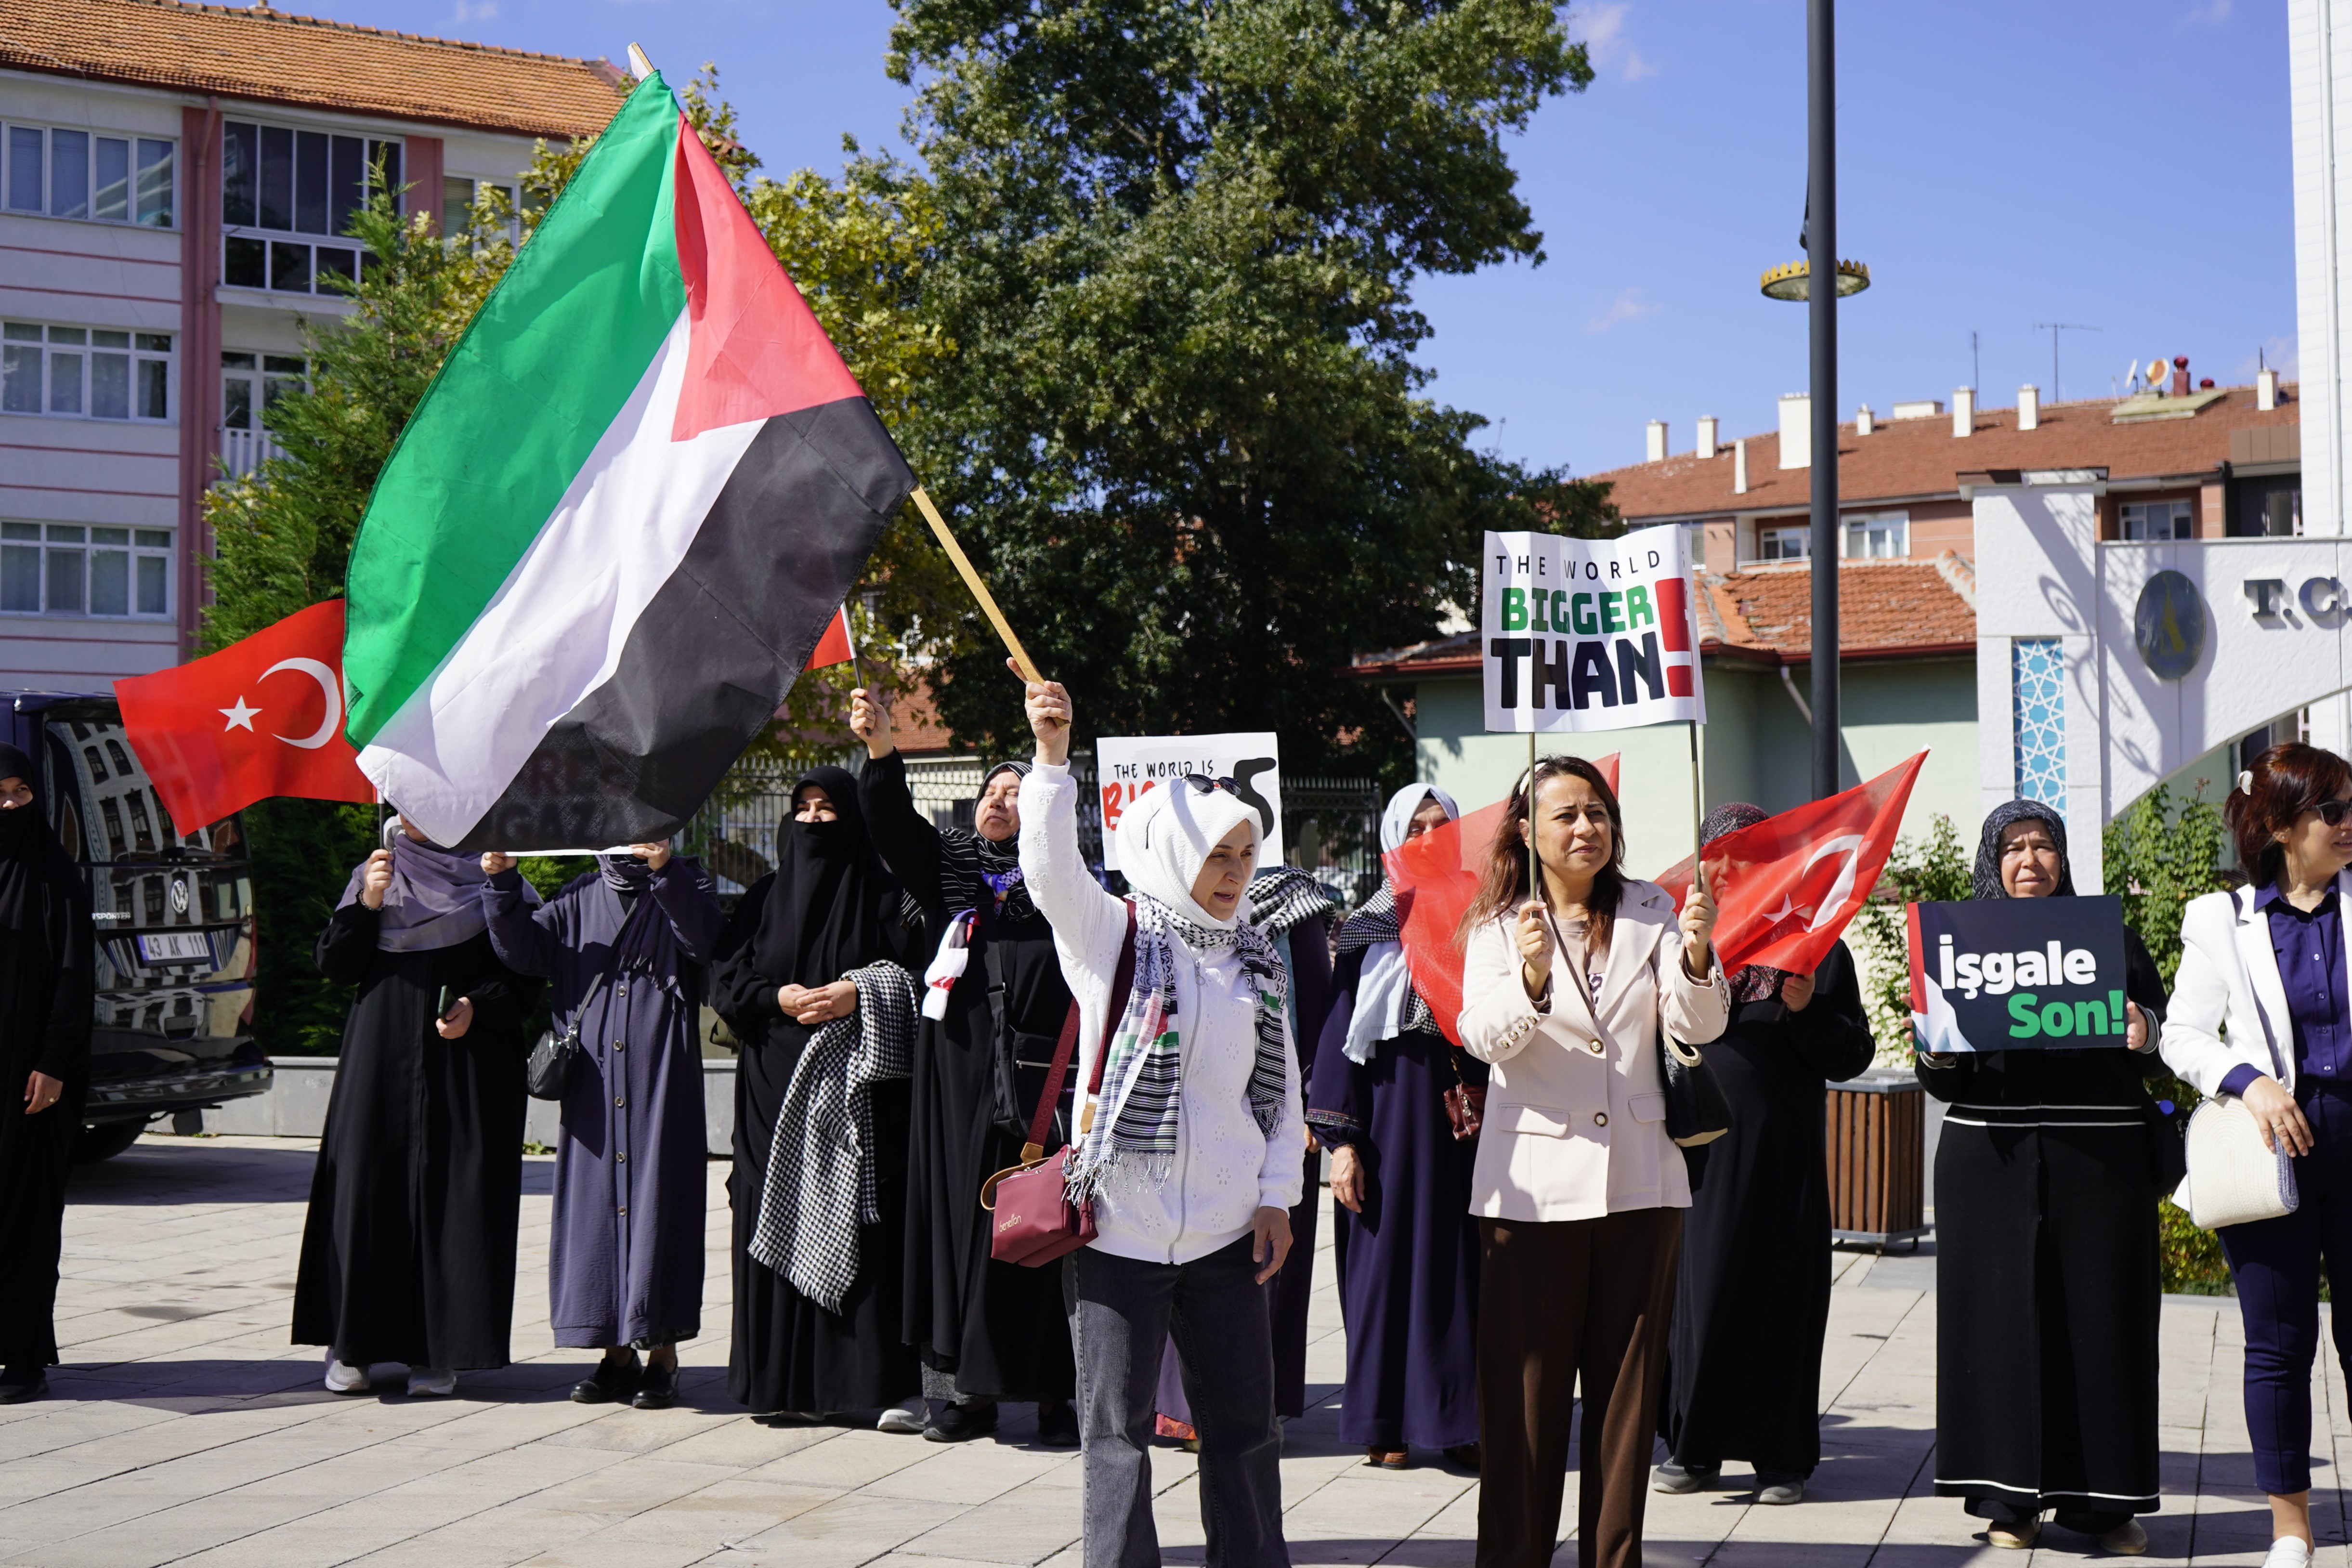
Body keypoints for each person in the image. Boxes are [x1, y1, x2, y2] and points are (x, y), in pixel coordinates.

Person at [1017, 666, 1304, 1568]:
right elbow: (1049, 871)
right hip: (1117, 1237)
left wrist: (1274, 1196)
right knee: (1116, 1443)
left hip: (1224, 1241)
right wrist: (1052, 761)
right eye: (1216, 855)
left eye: (1244, 856)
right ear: (1170, 852)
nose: (1232, 874)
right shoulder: (1113, 938)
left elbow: (1281, 1093)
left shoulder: (1254, 957)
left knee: (1244, 1435)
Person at [1457, 754, 1725, 1568]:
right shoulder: (1499, 925)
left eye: (1597, 813)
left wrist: (1695, 955)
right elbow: (1482, 1041)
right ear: (1525, 831)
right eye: (1566, 815)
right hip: (1531, 1198)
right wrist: (1532, 979)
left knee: (1624, 1411)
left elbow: (1701, 1027)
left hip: (1642, 1187)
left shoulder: (1654, 909)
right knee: (1525, 1411)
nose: (1585, 828)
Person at [1919, 798, 2169, 1554]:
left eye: (2044, 847)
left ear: (2063, 860)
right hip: (1988, 1163)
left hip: (2100, 1161)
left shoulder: (2112, 943)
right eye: (2015, 848)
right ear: (1993, 862)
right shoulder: (1957, 947)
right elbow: (1943, 1076)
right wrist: (1934, 1048)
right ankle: (2008, 1504)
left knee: (2100, 1325)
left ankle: (2104, 1505)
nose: (2030, 860)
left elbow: (2164, 1041)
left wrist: (2143, 1031)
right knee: (1997, 1328)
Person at [849, 687, 1079, 1445]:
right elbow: (892, 825)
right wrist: (883, 750)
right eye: (990, 792)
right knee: (963, 1230)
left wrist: (1049, 758)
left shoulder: (1062, 884)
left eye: (1016, 793)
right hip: (956, 1088)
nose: (1000, 801)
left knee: (1047, 1228)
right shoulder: (948, 875)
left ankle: (1058, 1392)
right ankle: (968, 1394)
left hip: (1047, 1082)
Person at [2162, 744, 2352, 1568]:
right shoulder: (2218, 919)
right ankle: (2290, 1528)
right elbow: (2179, 1036)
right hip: (2270, 1149)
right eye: (2331, 812)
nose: (2346, 825)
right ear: (2280, 827)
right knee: (2276, 1345)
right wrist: (2249, 1082)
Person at [1655, 802, 1877, 1505]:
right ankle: (1694, 1450)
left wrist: (1810, 1006)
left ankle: (1781, 1459)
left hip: (1785, 1161)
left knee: (1780, 1297)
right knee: (1702, 1291)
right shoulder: (1683, 937)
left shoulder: (1811, 940)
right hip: (1700, 1156)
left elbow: (1853, 1053)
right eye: (1723, 854)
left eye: (1754, 852)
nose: (1737, 866)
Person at [293, 817, 542, 1397]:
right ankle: (352, 1346)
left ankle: (440, 1349)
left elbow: (528, 972)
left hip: (468, 1063)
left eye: (430, 806)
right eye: (406, 805)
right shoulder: (375, 875)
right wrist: (367, 903)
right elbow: (336, 965)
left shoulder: (494, 873)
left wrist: (478, 1007)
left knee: (455, 1193)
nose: (415, 819)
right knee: (366, 1186)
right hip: (379, 1057)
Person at [711, 767, 927, 1429]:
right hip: (769, 1098)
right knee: (769, 1222)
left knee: (866, 1229)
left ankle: (872, 1385)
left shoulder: (888, 898)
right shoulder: (764, 897)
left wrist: (858, 991)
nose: (810, 819)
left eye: (827, 808)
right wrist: (776, 997)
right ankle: (780, 1384)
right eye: (802, 808)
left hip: (857, 1099)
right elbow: (725, 979)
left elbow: (922, 979)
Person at [481, 841, 723, 1410]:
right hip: (592, 1088)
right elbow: (524, 953)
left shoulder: (690, 884)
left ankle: (662, 1354)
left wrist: (666, 873)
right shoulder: (577, 897)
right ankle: (614, 1353)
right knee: (594, 1211)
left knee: (658, 1203)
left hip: (659, 1082)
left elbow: (706, 942)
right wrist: (502, 883)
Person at [1306, 782, 1484, 1472]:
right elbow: (1338, 1035)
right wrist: (1342, 1142)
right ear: (1394, 835)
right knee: (1382, 1270)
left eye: (1444, 824)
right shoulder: (1368, 926)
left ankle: (1458, 1421)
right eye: (1418, 825)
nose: (1432, 836)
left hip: (1465, 1121)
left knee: (1460, 1268)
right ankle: (1386, 1419)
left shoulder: (1485, 914)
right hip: (1384, 1124)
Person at [1153, 859, 1337, 1447]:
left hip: (1265, 1112)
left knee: (1256, 1261)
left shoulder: (1296, 903)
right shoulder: (1153, 912)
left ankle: (1256, 1401)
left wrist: (1309, 1107)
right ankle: (1180, 1407)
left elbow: (1314, 1009)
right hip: (1172, 1116)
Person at [0, 745, 91, 1403]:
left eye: (20, 793)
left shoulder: (55, 876)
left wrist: (52, 1064)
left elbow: (72, 978)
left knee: (25, 1215)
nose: (9, 806)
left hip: (32, 1077)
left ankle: (24, 1358)